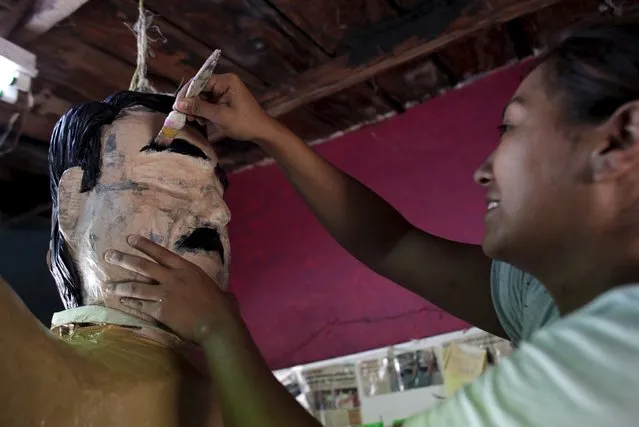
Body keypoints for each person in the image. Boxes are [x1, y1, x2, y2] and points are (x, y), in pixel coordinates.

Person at [108, 18, 639, 427]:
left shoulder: (616, 358)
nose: (483, 171)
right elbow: (392, 243)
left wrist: (218, 330)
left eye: (512, 127)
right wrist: (268, 133)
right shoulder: (544, 295)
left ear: (620, 140)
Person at [1, 91, 230, 427]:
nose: (219, 214)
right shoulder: (24, 363)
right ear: (72, 204)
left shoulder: (233, 386)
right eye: (171, 182)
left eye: (217, 195)